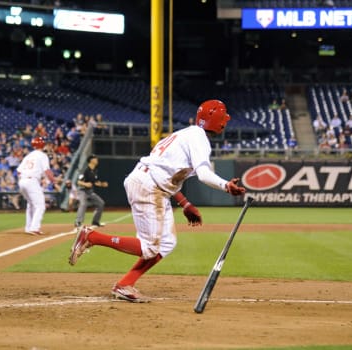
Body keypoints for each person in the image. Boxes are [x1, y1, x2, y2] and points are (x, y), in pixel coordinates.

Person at [68, 100, 246, 302]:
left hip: (151, 184)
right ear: (219, 122)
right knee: (150, 247)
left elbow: (166, 174)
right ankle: (92, 237)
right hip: (148, 186)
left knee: (166, 243)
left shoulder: (185, 134)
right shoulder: (199, 139)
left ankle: (125, 284)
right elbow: (204, 174)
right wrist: (226, 186)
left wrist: (185, 204)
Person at [17, 137, 58, 235]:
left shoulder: (28, 156)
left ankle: (28, 227)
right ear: (42, 145)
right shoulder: (42, 155)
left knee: (31, 205)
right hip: (31, 181)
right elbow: (47, 171)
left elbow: (18, 171)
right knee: (40, 206)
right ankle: (34, 228)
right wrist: (54, 181)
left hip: (22, 180)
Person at [74, 155, 108, 228]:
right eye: (95, 158)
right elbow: (78, 182)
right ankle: (78, 222)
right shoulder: (85, 169)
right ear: (91, 160)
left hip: (90, 191)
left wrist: (102, 184)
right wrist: (85, 184)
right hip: (82, 190)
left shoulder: (95, 170)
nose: (97, 159)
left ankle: (95, 222)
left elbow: (95, 182)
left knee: (101, 203)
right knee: (83, 204)